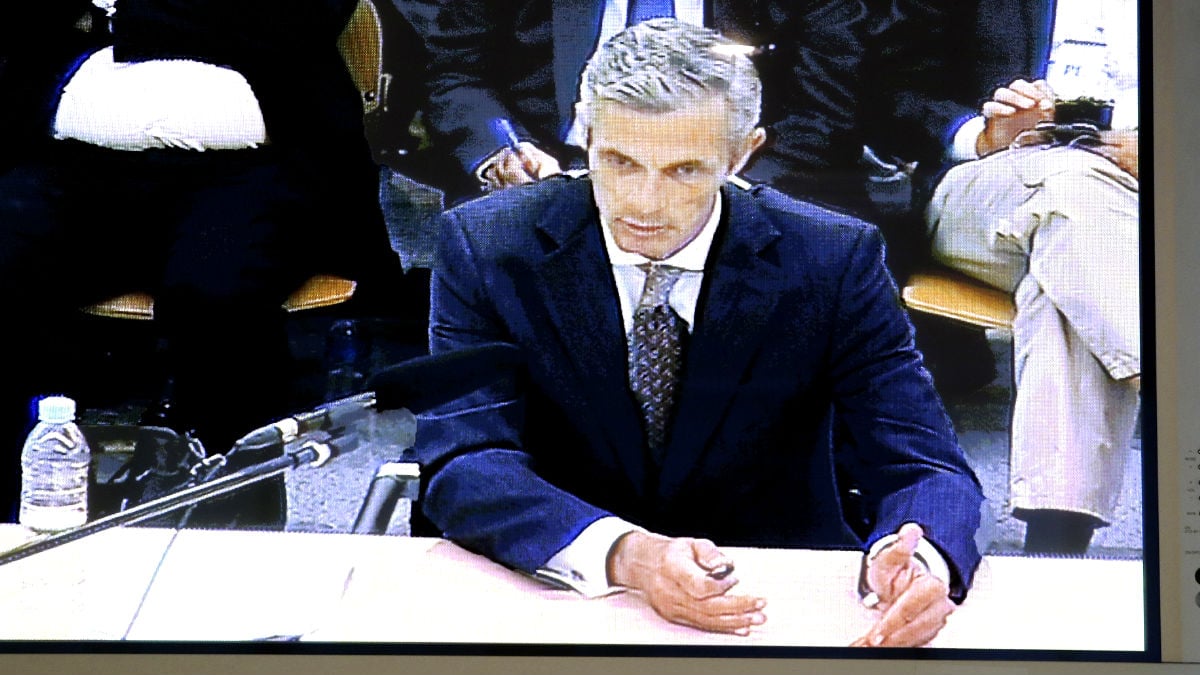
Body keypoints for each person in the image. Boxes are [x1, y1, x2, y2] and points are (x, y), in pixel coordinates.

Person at [419, 19, 983, 646]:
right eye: (619, 161)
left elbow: (923, 464)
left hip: (769, 600)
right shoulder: (487, 244)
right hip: (550, 591)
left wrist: (922, 559)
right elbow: (463, 458)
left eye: (685, 170)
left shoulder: (832, 256)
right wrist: (628, 554)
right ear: (585, 134)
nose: (645, 202)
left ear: (744, 153)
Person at [0, 1, 403, 524]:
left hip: (253, 169)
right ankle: (16, 516)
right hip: (79, 166)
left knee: (216, 291)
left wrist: (121, 11)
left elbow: (298, 18)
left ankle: (231, 520)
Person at [881, 0, 1140, 553]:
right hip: (994, 182)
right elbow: (887, 87)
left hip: (1149, 207)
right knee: (1075, 194)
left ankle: (1055, 546)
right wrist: (981, 132)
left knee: (1068, 266)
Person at [396, 0, 869, 213]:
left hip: (742, 178)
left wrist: (729, 188)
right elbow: (456, 72)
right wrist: (505, 151)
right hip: (558, 172)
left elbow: (825, 110)